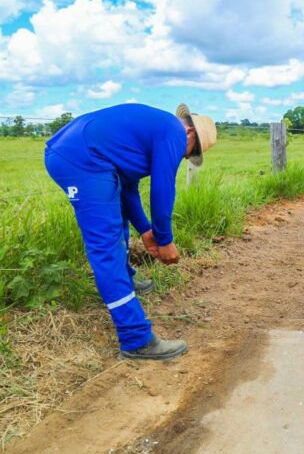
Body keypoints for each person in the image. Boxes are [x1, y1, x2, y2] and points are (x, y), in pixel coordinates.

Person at [45, 103, 217, 360]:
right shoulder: (174, 132)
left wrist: (147, 230)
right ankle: (135, 339)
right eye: (191, 153)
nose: (185, 157)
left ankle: (124, 279)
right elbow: (163, 188)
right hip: (81, 160)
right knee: (106, 246)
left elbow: (128, 188)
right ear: (190, 133)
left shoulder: (153, 130)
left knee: (118, 215)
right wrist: (165, 240)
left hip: (82, 153)